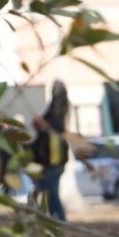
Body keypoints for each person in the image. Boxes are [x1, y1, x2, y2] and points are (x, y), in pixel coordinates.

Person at [31, 80, 70, 221]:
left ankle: (59, 220)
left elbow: (55, 128)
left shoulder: (59, 113)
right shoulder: (54, 111)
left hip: (53, 161)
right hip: (50, 160)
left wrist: (44, 125)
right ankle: (55, 219)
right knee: (51, 194)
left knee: (51, 193)